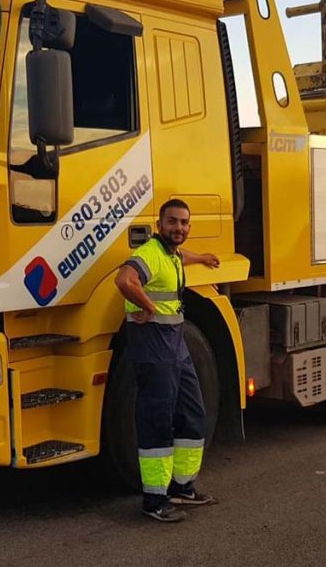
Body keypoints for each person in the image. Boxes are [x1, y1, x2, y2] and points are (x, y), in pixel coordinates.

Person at [114, 198, 221, 522]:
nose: (179, 228)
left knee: (192, 412)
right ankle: (154, 500)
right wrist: (147, 306)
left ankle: (182, 487)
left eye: (184, 223)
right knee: (157, 421)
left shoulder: (170, 254)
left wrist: (201, 258)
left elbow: (178, 258)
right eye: (173, 222)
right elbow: (124, 280)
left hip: (176, 349)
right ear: (159, 225)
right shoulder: (148, 253)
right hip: (154, 349)